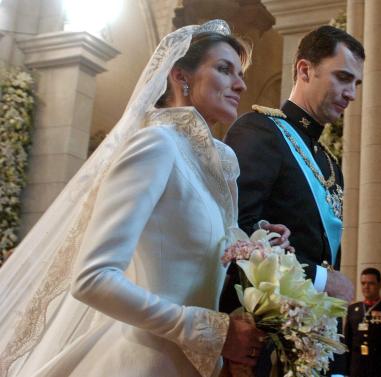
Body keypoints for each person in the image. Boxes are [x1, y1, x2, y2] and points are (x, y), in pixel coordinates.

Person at [0, 20, 292, 377]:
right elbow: (93, 278)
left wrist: (262, 247)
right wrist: (207, 330)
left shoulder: (216, 163)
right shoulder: (156, 144)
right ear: (180, 76)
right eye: (223, 69)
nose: (240, 83)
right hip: (141, 362)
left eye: (240, 73)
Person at [221, 25, 365, 377]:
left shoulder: (330, 162)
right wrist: (319, 279)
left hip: (310, 340)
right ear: (304, 70)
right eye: (343, 77)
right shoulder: (260, 131)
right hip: (261, 340)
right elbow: (234, 235)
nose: (351, 94)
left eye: (356, 84)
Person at [345, 268, 381, 377]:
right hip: (357, 365)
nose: (366, 287)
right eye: (363, 283)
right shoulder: (353, 309)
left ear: (379, 285)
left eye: (371, 283)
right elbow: (347, 341)